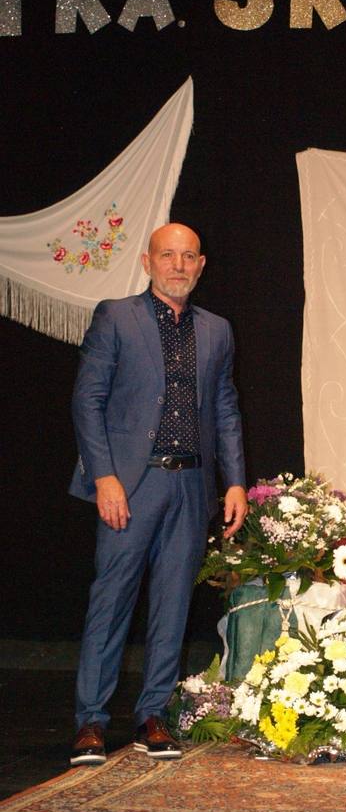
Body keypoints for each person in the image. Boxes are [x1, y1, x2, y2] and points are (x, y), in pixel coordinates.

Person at [68, 223, 248, 766]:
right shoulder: (116, 316)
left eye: (187, 256)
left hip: (191, 487)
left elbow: (224, 409)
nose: (177, 265)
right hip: (130, 485)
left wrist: (234, 479)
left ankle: (154, 717)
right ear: (148, 262)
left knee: (173, 604)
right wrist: (104, 477)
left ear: (201, 265)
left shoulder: (217, 330)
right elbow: (88, 401)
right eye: (167, 255)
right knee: (112, 601)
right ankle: (91, 723)